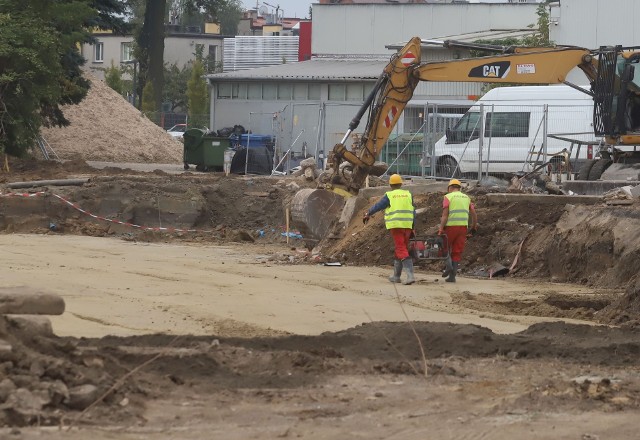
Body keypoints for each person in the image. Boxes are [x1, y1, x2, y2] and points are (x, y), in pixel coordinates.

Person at [362, 174, 416, 285]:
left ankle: (410, 276)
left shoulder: (390, 195)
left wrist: (368, 213)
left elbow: (378, 206)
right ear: (401, 184)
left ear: (390, 185)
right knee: (401, 248)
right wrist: (413, 227)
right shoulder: (408, 194)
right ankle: (396, 276)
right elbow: (413, 211)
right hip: (408, 225)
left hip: (396, 225)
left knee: (401, 249)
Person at [438, 178, 478, 283]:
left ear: (450, 188)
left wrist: (441, 229)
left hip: (451, 227)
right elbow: (474, 214)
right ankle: (452, 277)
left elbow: (445, 215)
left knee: (444, 248)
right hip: (463, 228)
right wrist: (473, 226)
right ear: (459, 188)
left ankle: (449, 266)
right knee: (456, 252)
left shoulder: (448, 197)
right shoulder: (467, 197)